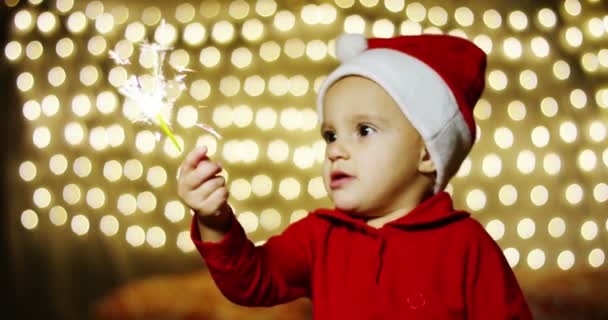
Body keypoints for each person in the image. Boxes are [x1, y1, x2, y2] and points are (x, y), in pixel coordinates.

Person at [177, 33, 533, 319]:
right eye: (330, 135)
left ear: (426, 153)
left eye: (364, 130)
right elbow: (253, 281)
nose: (335, 150)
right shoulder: (319, 236)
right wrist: (215, 221)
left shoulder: (466, 245)